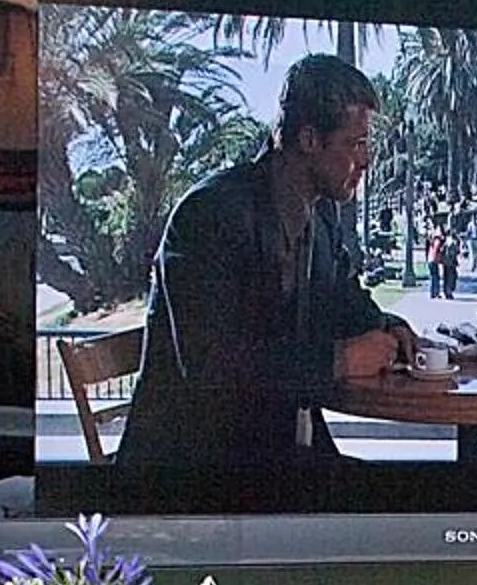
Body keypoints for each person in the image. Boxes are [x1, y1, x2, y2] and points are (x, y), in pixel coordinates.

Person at [117, 54, 403, 497]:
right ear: (309, 138)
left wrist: (390, 329)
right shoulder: (210, 215)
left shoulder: (321, 215)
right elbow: (212, 365)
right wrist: (339, 360)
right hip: (196, 474)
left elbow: (343, 296)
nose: (366, 161)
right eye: (355, 144)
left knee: (416, 501)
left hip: (277, 459)